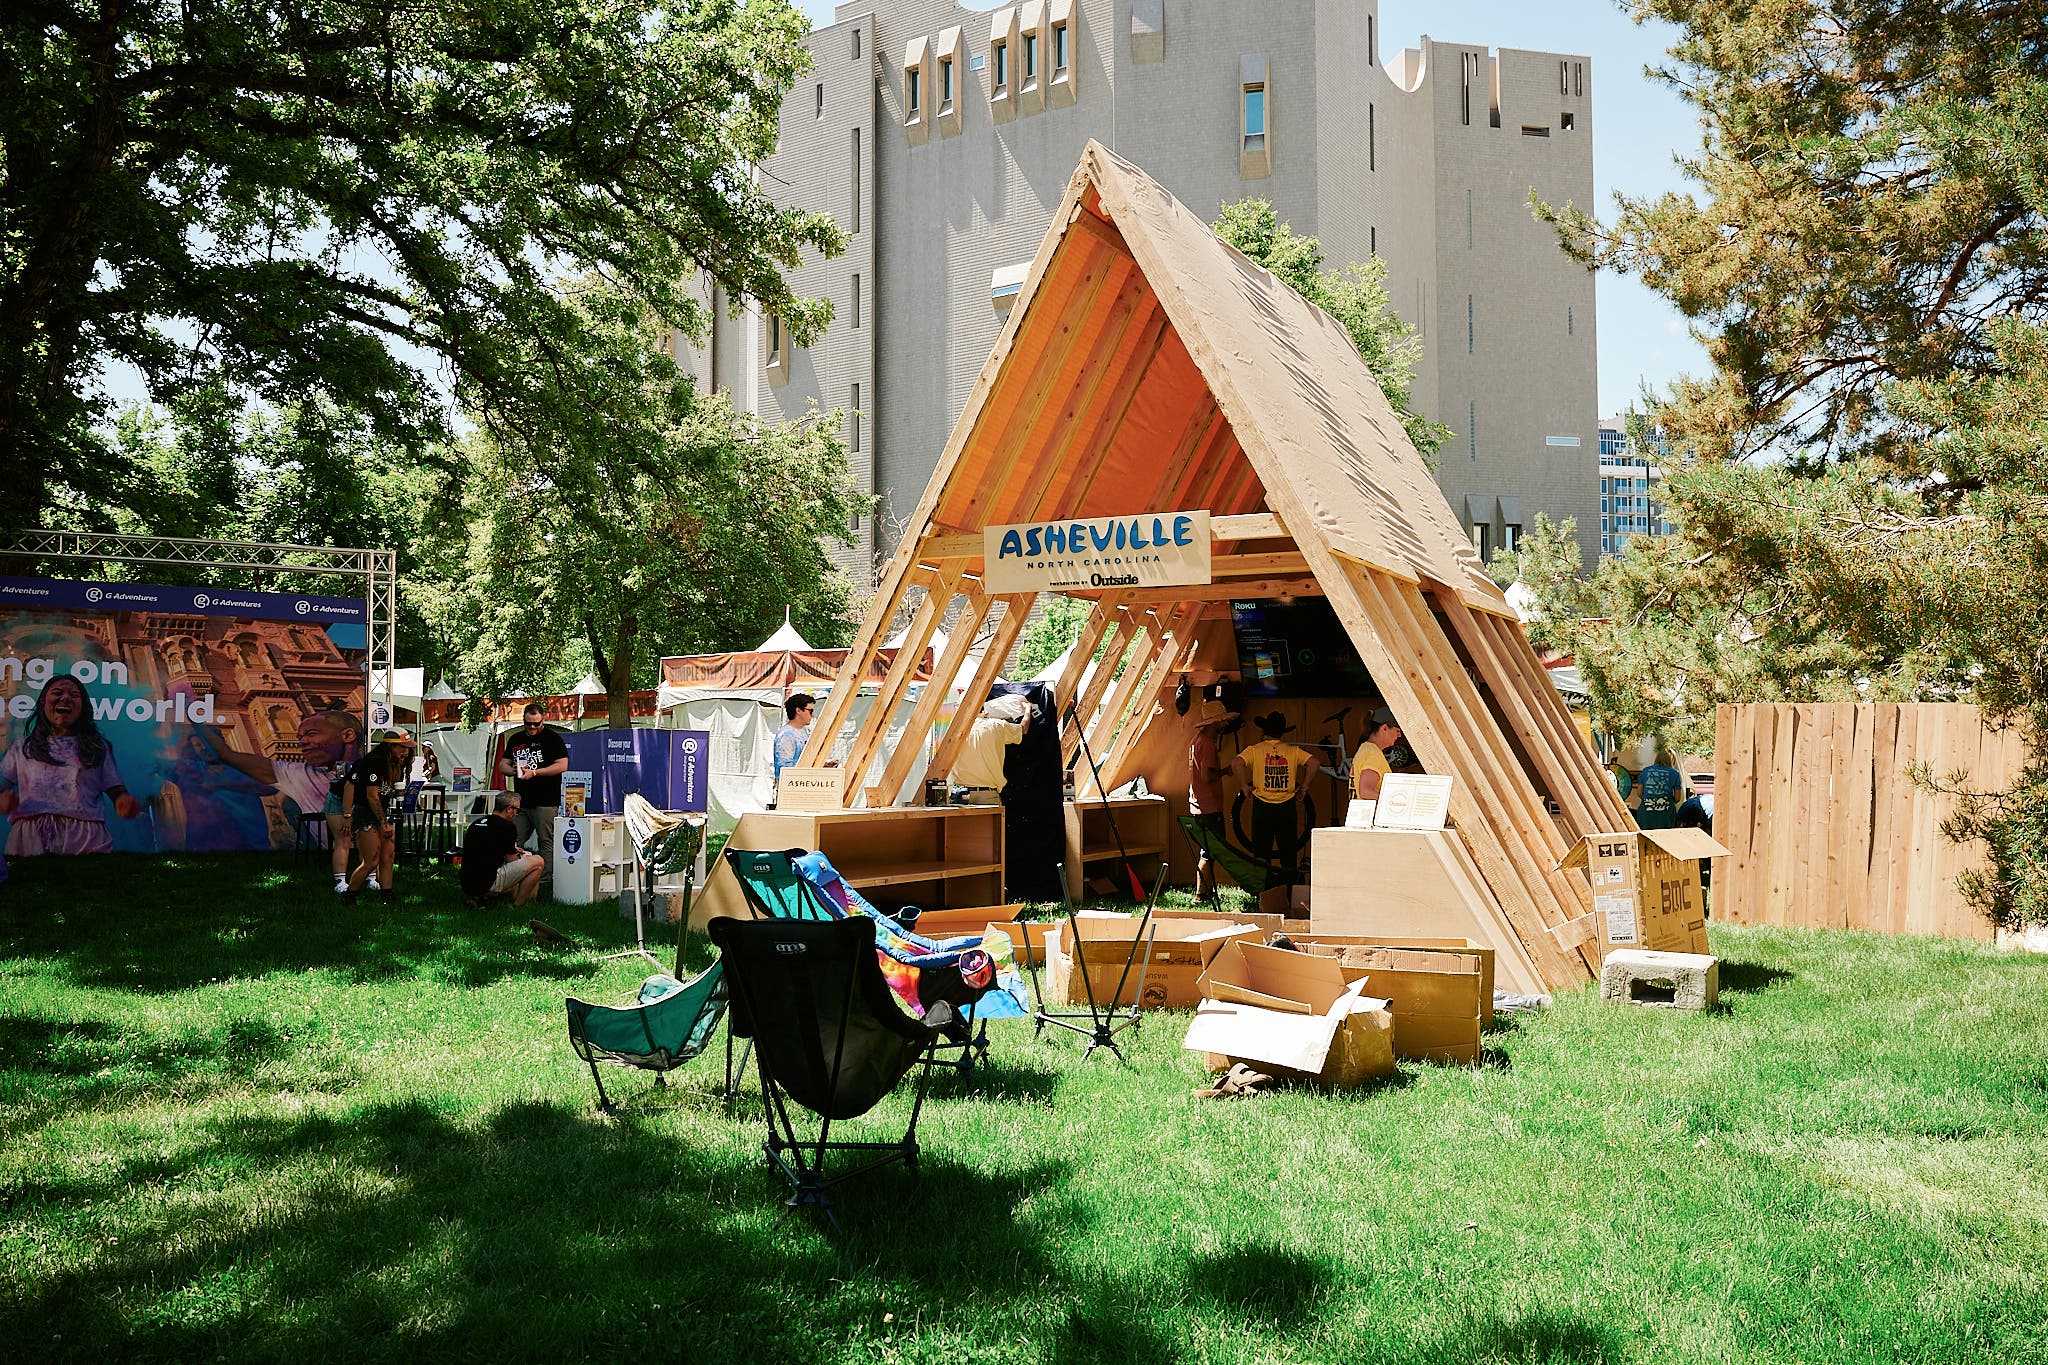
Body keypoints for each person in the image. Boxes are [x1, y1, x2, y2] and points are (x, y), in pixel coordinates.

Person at [194, 700, 363, 884]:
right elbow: (225, 755)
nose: (303, 743)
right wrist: (195, 716)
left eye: (311, 734)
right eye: (300, 738)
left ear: (347, 735)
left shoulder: (376, 772)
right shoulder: (298, 774)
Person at [0, 676, 143, 855]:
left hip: (87, 839)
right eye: (57, 693)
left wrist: (123, 801)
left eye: (74, 695)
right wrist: (3, 800)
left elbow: (116, 789)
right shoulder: (23, 747)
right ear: (44, 702)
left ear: (82, 707)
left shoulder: (98, 748)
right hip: (30, 839)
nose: (65, 698)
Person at [1231, 711, 1320, 893]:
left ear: (1265, 731)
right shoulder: (1292, 751)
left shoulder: (1255, 750)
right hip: (1286, 808)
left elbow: (1236, 763)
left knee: (1261, 856)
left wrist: (1244, 786)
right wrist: (1304, 787)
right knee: (1288, 855)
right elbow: (1315, 763)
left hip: (1262, 807)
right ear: (1282, 733)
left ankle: (1263, 895)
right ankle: (1288, 895)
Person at [497, 703, 569, 881]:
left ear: (543, 720)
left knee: (546, 842)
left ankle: (545, 879)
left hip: (545, 800)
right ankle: (510, 877)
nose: (532, 727)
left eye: (536, 724)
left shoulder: (552, 738)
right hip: (520, 802)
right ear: (524, 721)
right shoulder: (515, 739)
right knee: (512, 839)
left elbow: (562, 765)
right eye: (528, 723)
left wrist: (535, 772)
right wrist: (515, 771)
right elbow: (502, 765)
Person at [342, 730, 414, 905]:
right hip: (366, 814)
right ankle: (349, 895)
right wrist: (382, 823)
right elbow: (372, 796)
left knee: (388, 856)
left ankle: (387, 895)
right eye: (403, 748)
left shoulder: (396, 763)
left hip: (382, 812)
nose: (406, 752)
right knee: (371, 861)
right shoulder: (373, 762)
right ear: (391, 746)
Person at [459, 790, 545, 908]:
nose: (517, 814)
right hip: (488, 883)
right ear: (509, 809)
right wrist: (520, 854)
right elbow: (512, 860)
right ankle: (517, 905)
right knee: (537, 861)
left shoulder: (476, 823)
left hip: (467, 883)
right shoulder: (507, 827)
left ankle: (482, 900)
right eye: (517, 810)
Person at [1187, 698, 1236, 897]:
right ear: (1214, 723)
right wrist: (1226, 771)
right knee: (1209, 851)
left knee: (1207, 850)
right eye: (1222, 721)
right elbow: (1207, 776)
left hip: (1198, 805)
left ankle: (1206, 891)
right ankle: (1201, 894)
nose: (1225, 724)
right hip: (1208, 807)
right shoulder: (1207, 744)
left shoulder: (1196, 741)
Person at [951, 693, 1030, 805]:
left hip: (958, 793)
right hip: (986, 796)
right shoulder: (997, 726)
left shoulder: (953, 732)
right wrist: (1028, 709)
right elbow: (1023, 729)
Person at [1350, 706, 1402, 807]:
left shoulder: (1365, 749)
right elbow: (1365, 792)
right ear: (1384, 728)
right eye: (1397, 731)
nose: (1399, 736)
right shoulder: (1372, 753)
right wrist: (1396, 802)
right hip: (1371, 820)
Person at [772, 693, 815, 804]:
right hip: (791, 793)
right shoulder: (786, 735)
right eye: (810, 711)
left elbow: (803, 759)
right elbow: (785, 768)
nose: (812, 715)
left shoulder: (803, 732)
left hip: (802, 788)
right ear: (798, 711)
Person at [1631, 746, 1687, 831]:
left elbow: (1639, 794)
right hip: (1666, 814)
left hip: (1646, 814)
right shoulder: (1675, 773)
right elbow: (1677, 798)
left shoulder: (1645, 771)